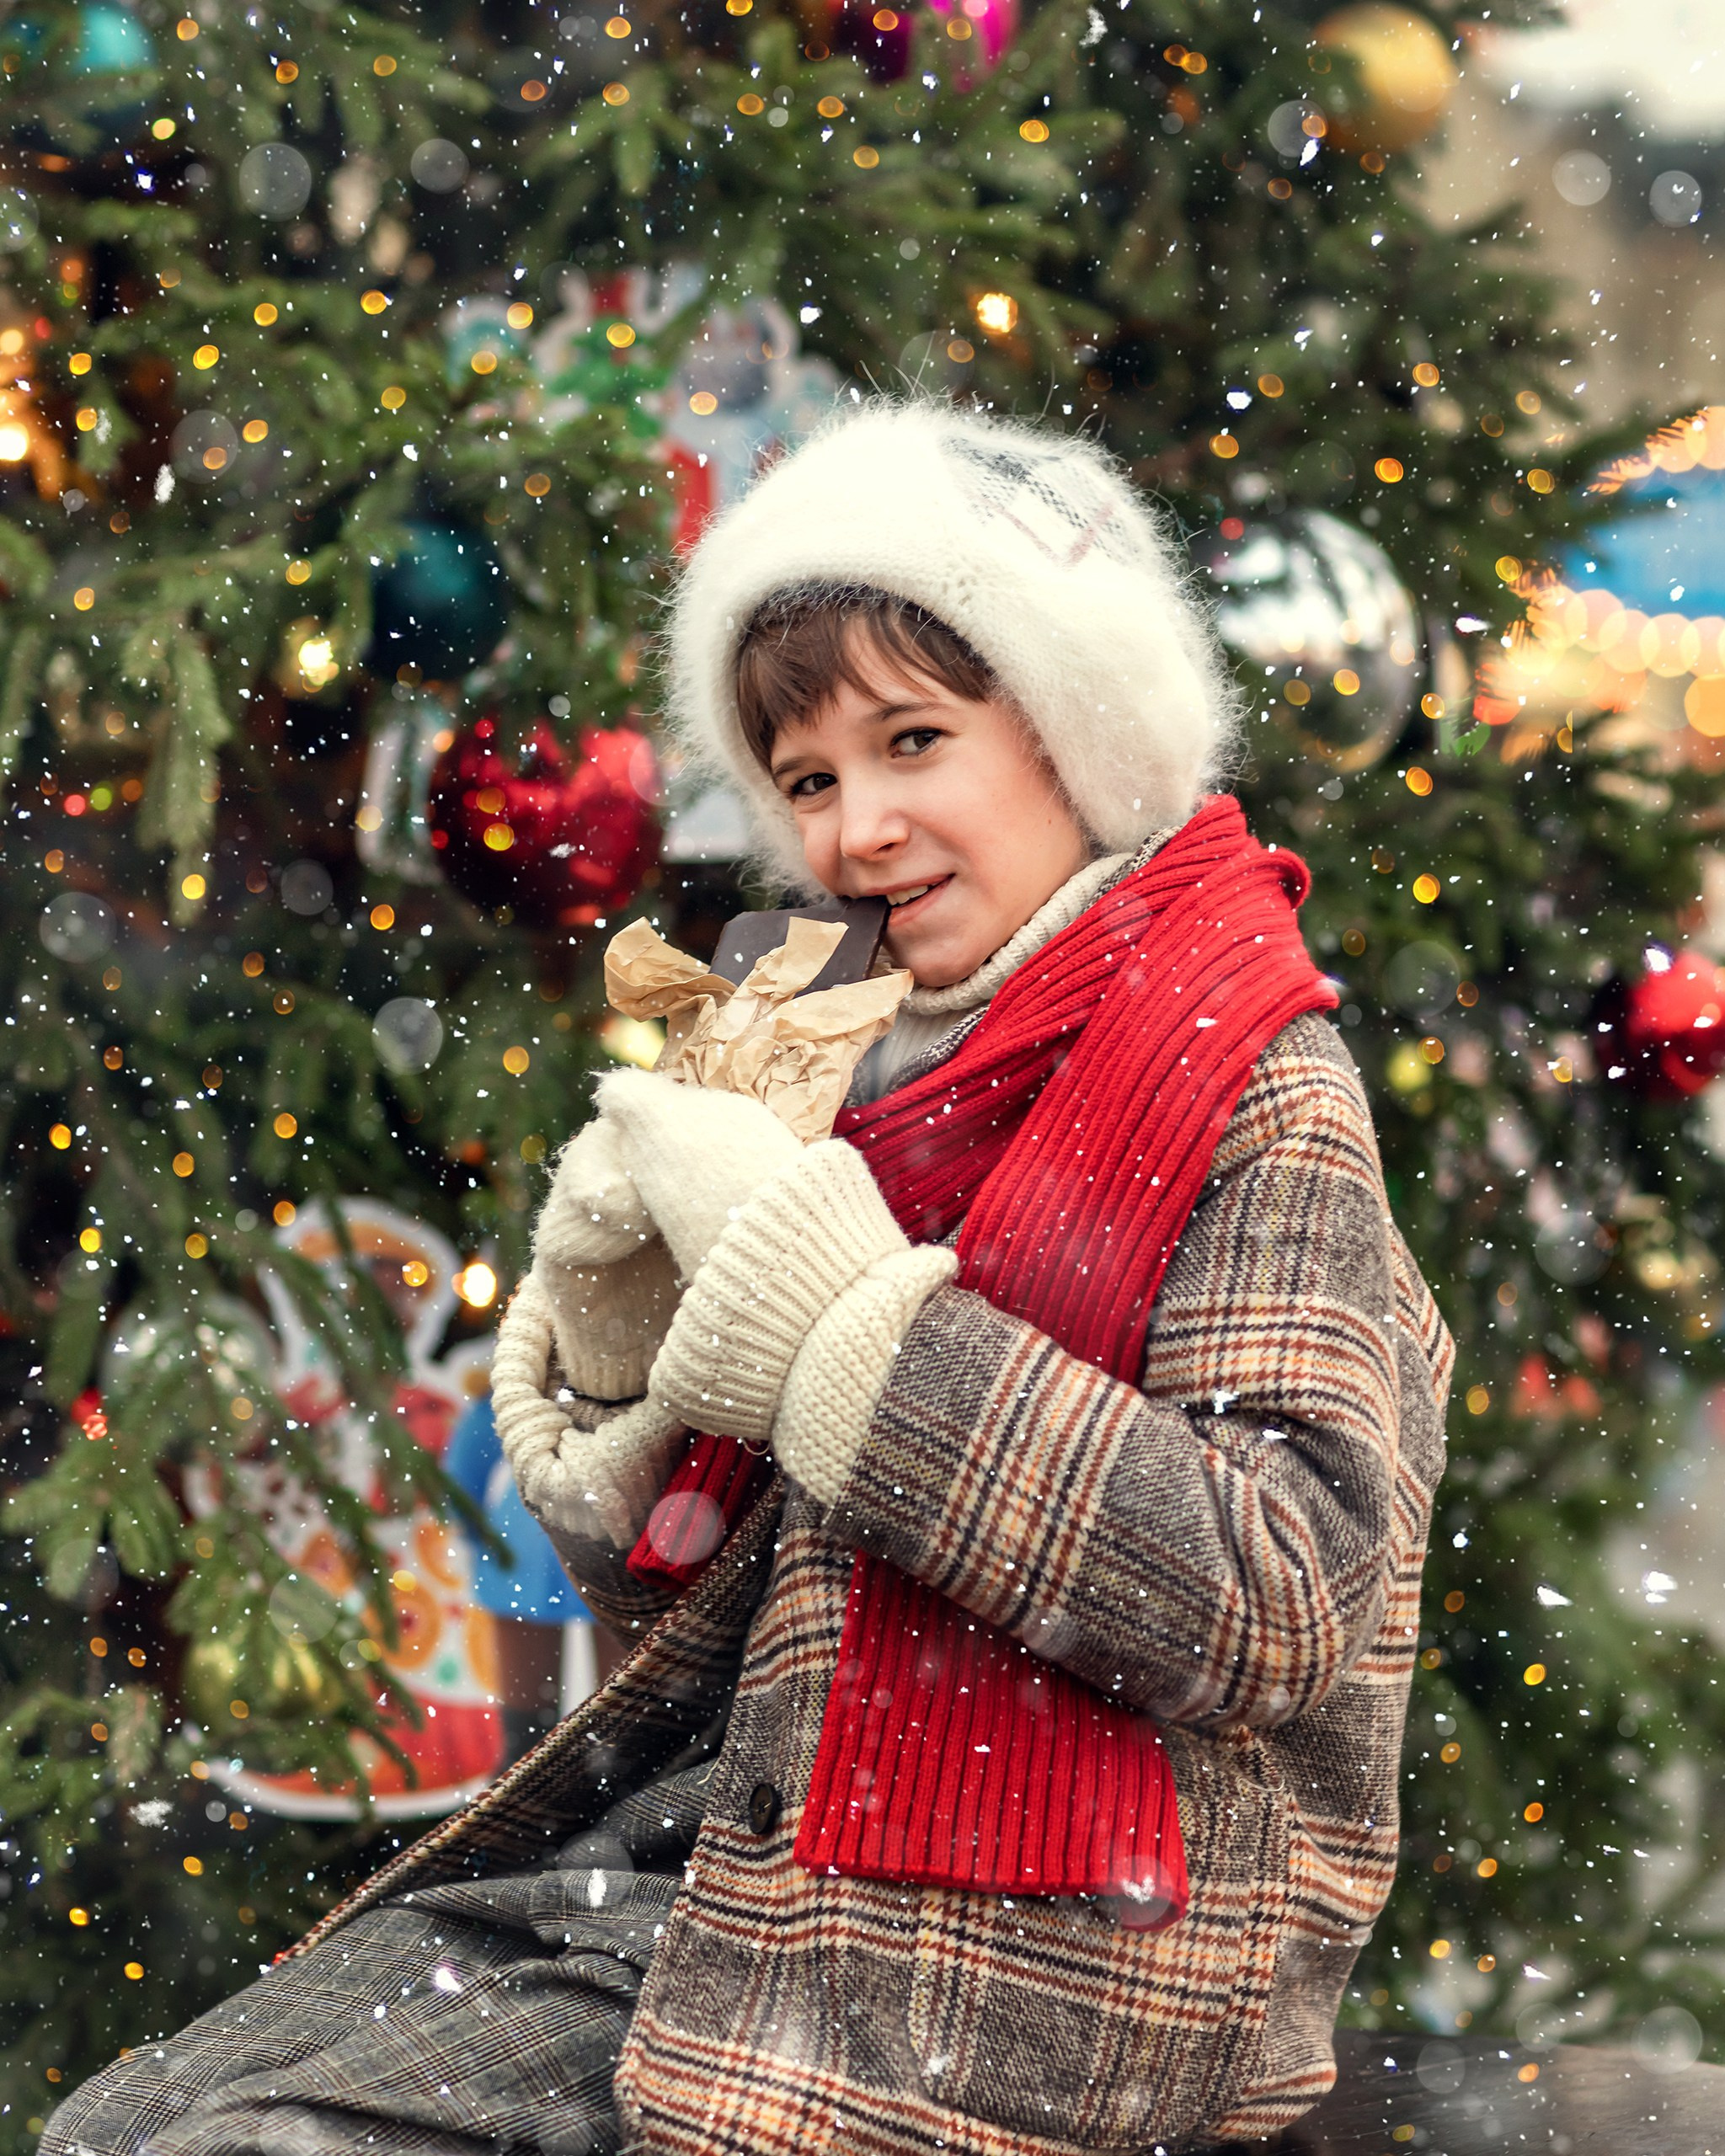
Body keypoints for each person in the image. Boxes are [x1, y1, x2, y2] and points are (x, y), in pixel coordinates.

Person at [45, 402, 1450, 2156]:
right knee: (135, 2121)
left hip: (1044, 1944)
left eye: (914, 739)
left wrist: (836, 1325)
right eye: (804, 779)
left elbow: (1269, 1594)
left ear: (1077, 732)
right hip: (733, 1863)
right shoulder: (869, 1060)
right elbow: (729, 1634)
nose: (858, 827)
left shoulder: (1243, 1076)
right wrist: (644, 1377)